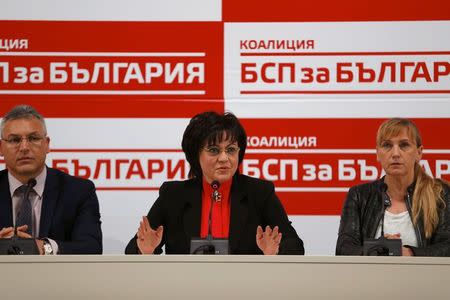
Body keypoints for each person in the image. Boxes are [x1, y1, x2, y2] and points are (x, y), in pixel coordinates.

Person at [125, 111, 304, 255]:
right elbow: (134, 247)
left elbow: (295, 245)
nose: (224, 158)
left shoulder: (258, 193)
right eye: (214, 150)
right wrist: (145, 250)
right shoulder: (174, 195)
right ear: (196, 155)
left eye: (231, 150)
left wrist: (275, 252)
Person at [336, 118, 450, 256]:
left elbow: (447, 246)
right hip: (371, 277)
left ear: (419, 153)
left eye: (404, 145)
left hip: (425, 278)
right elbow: (344, 248)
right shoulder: (359, 195)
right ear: (378, 153)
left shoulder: (441, 194)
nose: (395, 153)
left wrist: (409, 253)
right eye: (387, 145)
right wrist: (378, 248)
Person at [0, 104, 102, 254]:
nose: (24, 147)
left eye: (33, 138)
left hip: (60, 277)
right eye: (14, 140)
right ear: (1, 148)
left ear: (47, 145)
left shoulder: (78, 191)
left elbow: (92, 248)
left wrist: (44, 247)